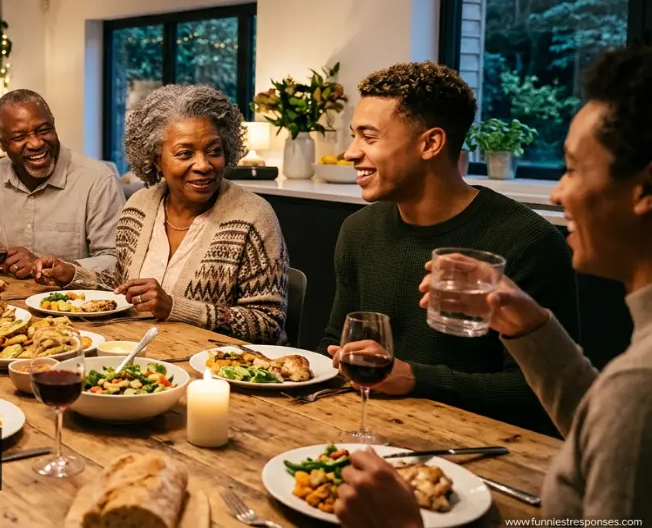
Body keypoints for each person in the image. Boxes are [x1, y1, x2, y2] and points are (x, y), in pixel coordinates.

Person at [335, 47, 652, 526]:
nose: (556, 192)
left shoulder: (638, 385)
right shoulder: (629, 387)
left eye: (571, 168)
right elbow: (597, 422)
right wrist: (531, 326)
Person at [318, 62, 580, 432]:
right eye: (353, 136)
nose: (350, 153)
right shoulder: (359, 231)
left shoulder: (528, 242)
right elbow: (334, 339)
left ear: (430, 143)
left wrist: (414, 378)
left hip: (485, 451)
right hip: (372, 431)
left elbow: (536, 393)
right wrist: (342, 356)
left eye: (369, 137)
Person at [33, 85, 289, 343]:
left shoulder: (252, 216)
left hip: (219, 370)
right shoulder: (139, 207)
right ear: (156, 160)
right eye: (185, 154)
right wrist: (74, 275)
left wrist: (175, 308)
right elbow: (123, 288)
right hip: (143, 352)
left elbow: (268, 323)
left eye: (214, 151)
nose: (203, 165)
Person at [0, 89, 125, 278]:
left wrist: (51, 267)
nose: (36, 143)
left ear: (54, 125)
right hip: (4, 300)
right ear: (0, 142)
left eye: (44, 130)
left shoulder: (98, 180)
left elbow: (116, 260)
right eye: (19, 137)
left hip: (73, 305)